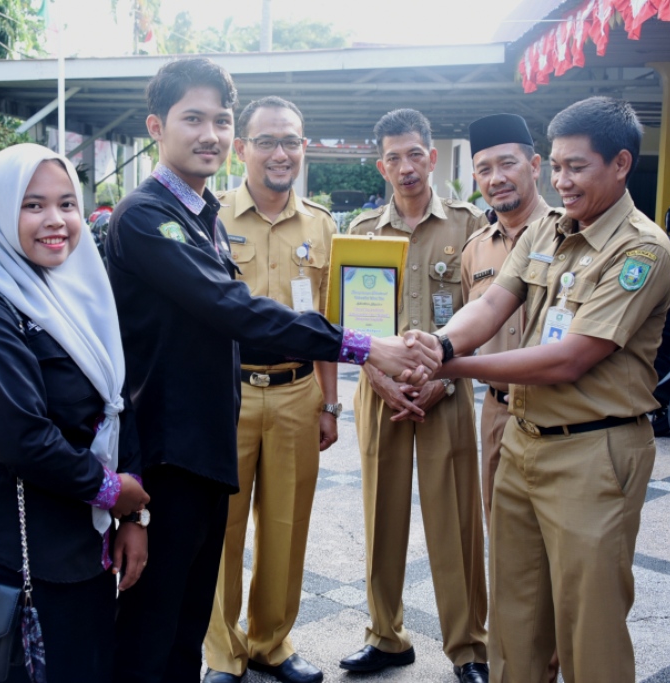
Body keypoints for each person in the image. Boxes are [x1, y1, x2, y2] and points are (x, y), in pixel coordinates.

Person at [105, 58, 439, 683]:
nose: (209, 133)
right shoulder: (147, 216)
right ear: (157, 126)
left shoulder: (201, 214)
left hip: (206, 442)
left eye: (219, 119)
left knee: (182, 620)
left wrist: (348, 385)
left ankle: (268, 643)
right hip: (168, 450)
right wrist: (365, 347)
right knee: (154, 629)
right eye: (193, 119)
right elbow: (234, 309)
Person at [432, 97, 670, 683]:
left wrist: (452, 369)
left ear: (620, 164)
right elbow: (493, 301)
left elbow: (571, 358)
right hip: (522, 441)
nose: (561, 182)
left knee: (589, 626)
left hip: (595, 453)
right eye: (558, 167)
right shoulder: (546, 227)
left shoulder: (641, 250)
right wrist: (438, 346)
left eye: (576, 168)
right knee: (516, 619)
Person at [0, 143, 150, 683]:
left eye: (66, 204)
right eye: (33, 205)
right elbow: (23, 440)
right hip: (3, 558)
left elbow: (117, 407)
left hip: (77, 550)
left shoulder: (78, 298)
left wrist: (131, 516)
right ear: (1, 214)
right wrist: (111, 491)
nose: (55, 221)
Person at [339, 108, 490, 683]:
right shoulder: (362, 232)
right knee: (382, 517)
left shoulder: (470, 226)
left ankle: (468, 648)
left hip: (446, 394)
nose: (406, 168)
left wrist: (444, 377)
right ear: (382, 165)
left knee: (455, 520)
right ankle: (386, 636)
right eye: (393, 158)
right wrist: (375, 377)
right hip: (378, 394)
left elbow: (488, 310)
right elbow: (347, 325)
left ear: (432, 156)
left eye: (414, 155)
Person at [202, 96, 336, 683]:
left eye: (291, 141)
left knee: (286, 525)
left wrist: (329, 404)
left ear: (303, 147)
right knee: (221, 528)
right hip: (225, 395)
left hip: (296, 393)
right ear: (242, 149)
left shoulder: (323, 225)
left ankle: (271, 643)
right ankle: (222, 653)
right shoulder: (211, 217)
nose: (280, 153)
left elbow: (327, 321)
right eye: (266, 141)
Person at [461, 112, 558, 527]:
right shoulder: (475, 250)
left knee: (563, 550)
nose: (496, 178)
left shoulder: (569, 238)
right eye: (485, 169)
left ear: (535, 167)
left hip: (558, 413)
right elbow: (471, 326)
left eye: (507, 163)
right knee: (502, 541)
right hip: (497, 412)